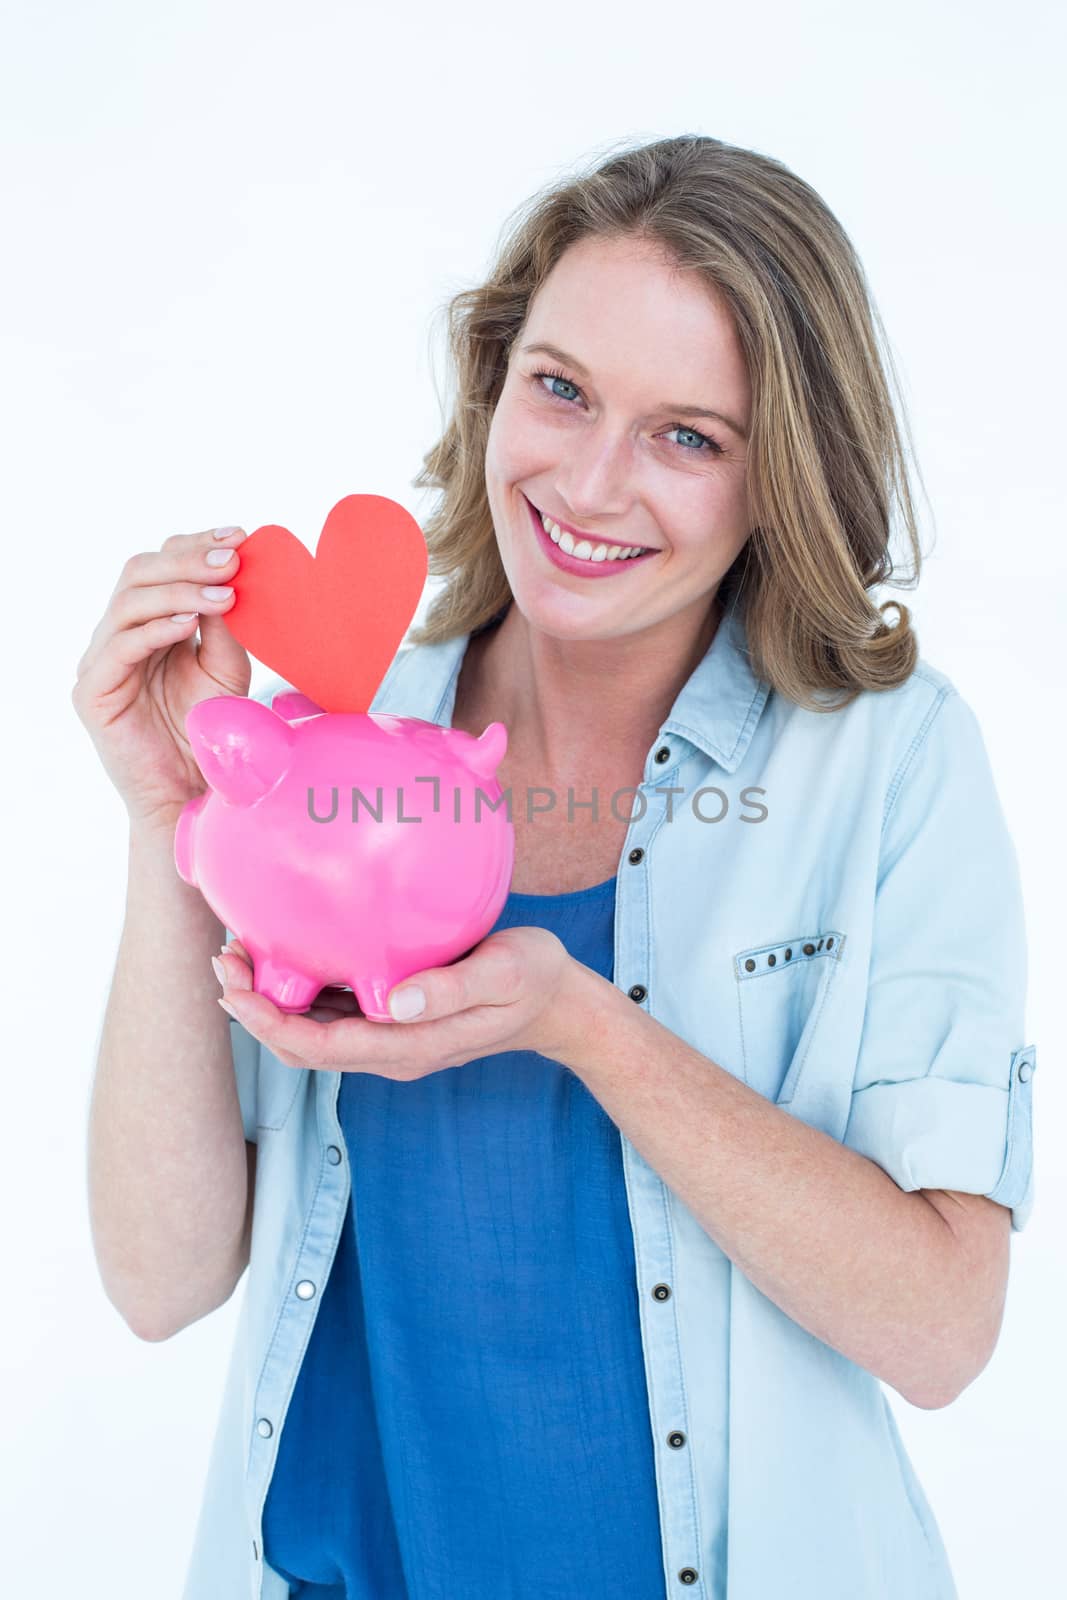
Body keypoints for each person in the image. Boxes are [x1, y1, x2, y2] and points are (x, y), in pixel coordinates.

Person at [74, 134, 1036, 1600]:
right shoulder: (335, 746)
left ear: (778, 480)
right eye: (562, 388)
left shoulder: (888, 764)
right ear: (494, 383)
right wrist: (171, 824)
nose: (589, 483)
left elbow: (944, 1330)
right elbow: (160, 1283)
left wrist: (582, 1024)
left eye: (688, 436)